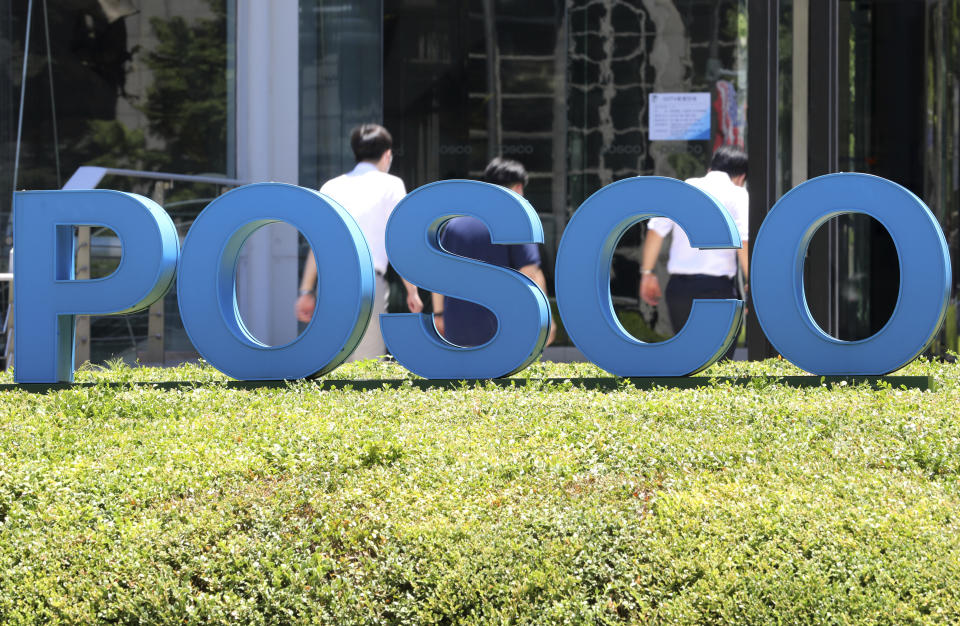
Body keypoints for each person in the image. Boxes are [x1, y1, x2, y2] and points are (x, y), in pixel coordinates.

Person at [295, 124, 422, 360]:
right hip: (368, 282)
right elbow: (400, 241)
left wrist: (306, 290)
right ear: (387, 155)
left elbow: (318, 245)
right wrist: (412, 290)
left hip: (331, 282)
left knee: (332, 362)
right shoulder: (392, 185)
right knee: (366, 367)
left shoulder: (331, 187)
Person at [432, 157, 556, 347]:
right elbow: (530, 273)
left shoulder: (454, 223)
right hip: (503, 328)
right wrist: (545, 320)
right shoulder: (516, 220)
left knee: (463, 377)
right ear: (518, 188)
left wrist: (439, 314)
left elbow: (440, 275)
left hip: (457, 327)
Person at [639, 146, 749, 354]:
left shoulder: (681, 190)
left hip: (679, 290)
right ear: (740, 177)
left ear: (710, 168)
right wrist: (752, 280)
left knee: (689, 360)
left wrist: (647, 273)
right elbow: (743, 240)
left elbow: (655, 232)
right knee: (720, 363)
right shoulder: (737, 194)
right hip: (718, 290)